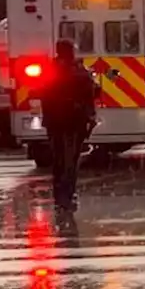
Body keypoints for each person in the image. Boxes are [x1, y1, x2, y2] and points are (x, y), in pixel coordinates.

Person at [39, 39, 97, 212]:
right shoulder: (78, 70)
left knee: (59, 159)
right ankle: (68, 194)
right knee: (70, 160)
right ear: (70, 51)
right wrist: (90, 116)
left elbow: (43, 94)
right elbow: (90, 93)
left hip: (56, 121)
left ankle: (60, 195)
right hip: (74, 120)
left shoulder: (49, 70)